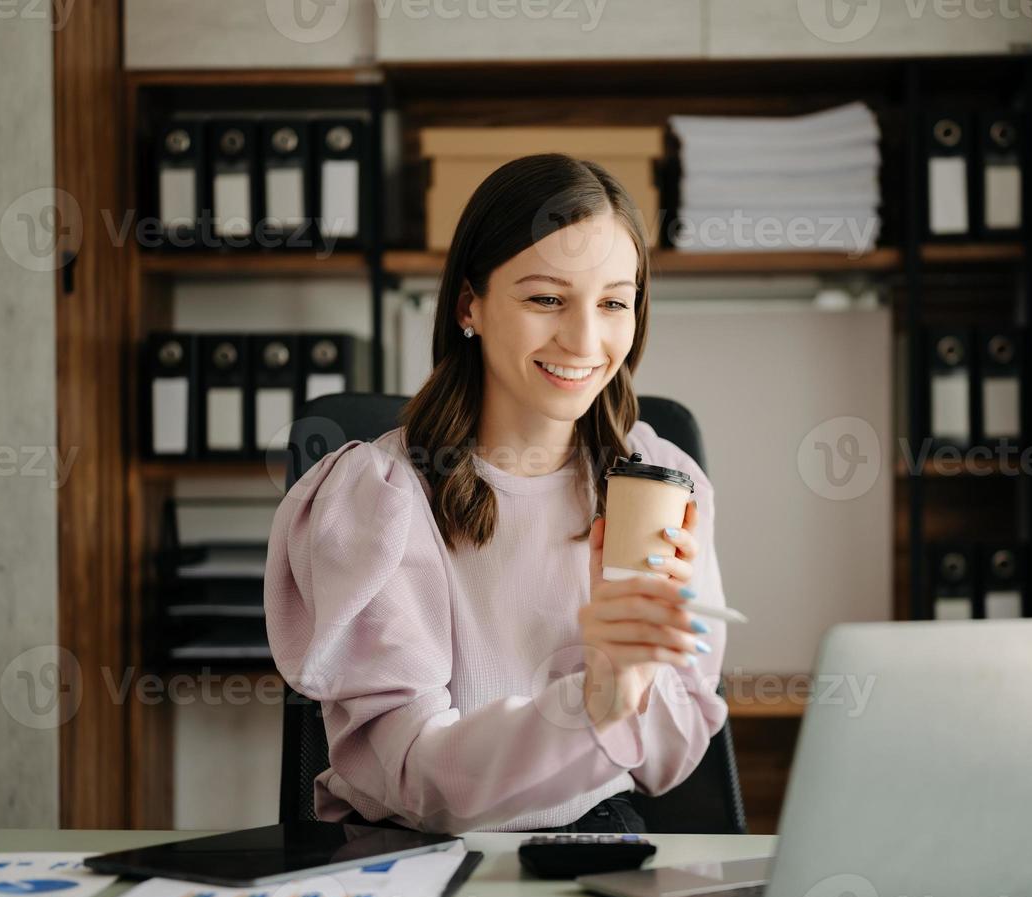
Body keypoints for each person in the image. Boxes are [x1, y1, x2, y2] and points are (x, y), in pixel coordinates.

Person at [265, 154, 729, 834]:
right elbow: (416, 780)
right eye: (546, 299)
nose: (584, 339)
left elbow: (668, 761)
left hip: (594, 850)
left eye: (612, 303)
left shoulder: (657, 480)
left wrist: (633, 678)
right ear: (469, 306)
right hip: (422, 862)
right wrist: (598, 700)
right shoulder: (378, 498)